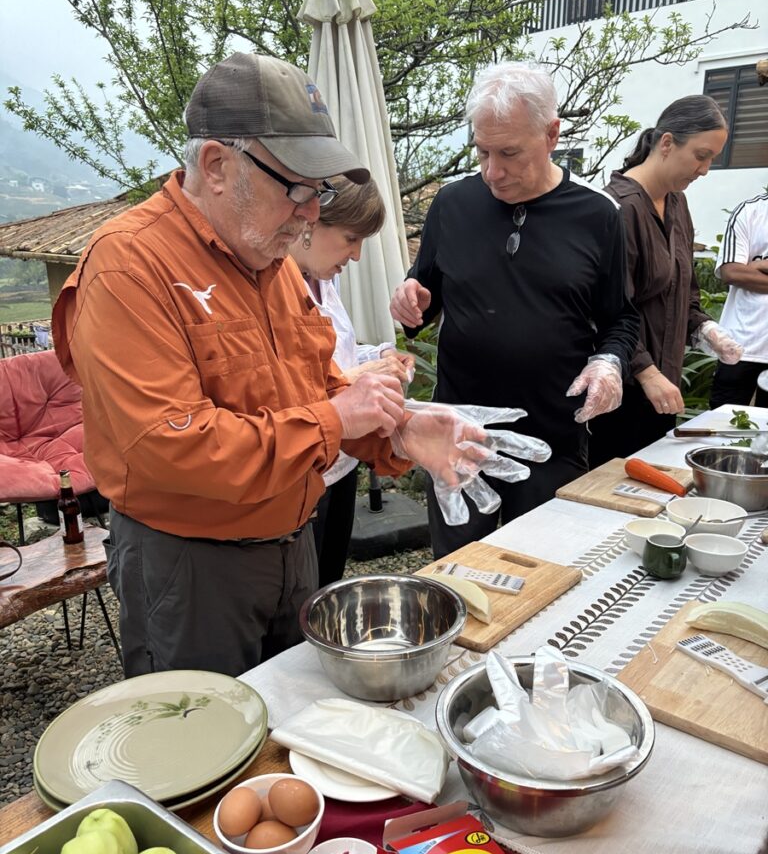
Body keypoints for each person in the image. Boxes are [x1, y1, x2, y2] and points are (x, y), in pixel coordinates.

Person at [51, 52, 418, 679]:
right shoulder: (128, 266)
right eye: (298, 189)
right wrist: (335, 416)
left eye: (320, 191)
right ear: (218, 166)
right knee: (203, 751)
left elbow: (322, 388)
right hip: (191, 567)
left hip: (292, 543)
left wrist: (401, 434)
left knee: (290, 733)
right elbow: (173, 448)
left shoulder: (271, 262)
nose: (311, 213)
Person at [389, 61, 639, 558]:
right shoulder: (453, 204)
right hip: (458, 434)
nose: (492, 171)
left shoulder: (596, 215)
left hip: (552, 436)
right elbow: (426, 295)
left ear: (551, 134)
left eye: (509, 153)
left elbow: (622, 319)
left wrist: (609, 363)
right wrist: (410, 297)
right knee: (459, 573)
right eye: (482, 151)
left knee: (540, 573)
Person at [589, 95, 743, 467]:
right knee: (612, 489)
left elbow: (682, 290)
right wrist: (648, 372)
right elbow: (608, 310)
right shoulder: (618, 209)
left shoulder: (676, 203)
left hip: (663, 386)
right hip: (622, 389)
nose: (704, 169)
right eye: (701, 156)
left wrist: (705, 327)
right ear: (667, 142)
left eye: (711, 160)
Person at [289, 176, 415, 585]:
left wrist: (377, 355)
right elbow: (293, 386)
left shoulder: (325, 278)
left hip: (342, 463)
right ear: (310, 222)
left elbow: (334, 354)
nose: (357, 255)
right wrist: (359, 378)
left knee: (330, 577)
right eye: (350, 239)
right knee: (303, 592)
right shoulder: (274, 287)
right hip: (306, 465)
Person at [710, 191, 768, 410]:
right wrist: (744, 270)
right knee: (724, 427)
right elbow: (732, 272)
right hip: (741, 346)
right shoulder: (750, 211)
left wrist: (757, 266)